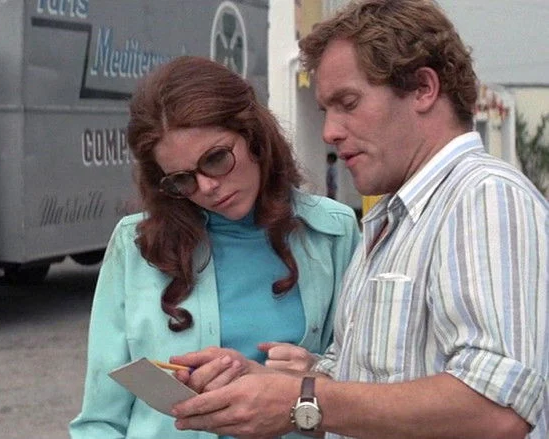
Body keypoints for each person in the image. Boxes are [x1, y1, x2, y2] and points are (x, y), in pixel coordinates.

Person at [170, 1, 549, 438]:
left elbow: (496, 408)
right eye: (326, 111)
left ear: (424, 88)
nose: (329, 131)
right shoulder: (398, 218)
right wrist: (279, 382)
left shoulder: (484, 197)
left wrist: (302, 400)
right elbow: (382, 385)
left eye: (347, 103)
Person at [68, 55, 361, 438]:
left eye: (216, 159)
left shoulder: (332, 232)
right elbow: (100, 419)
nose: (207, 187)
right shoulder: (135, 245)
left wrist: (314, 377)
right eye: (182, 179)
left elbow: (370, 388)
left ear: (255, 136)